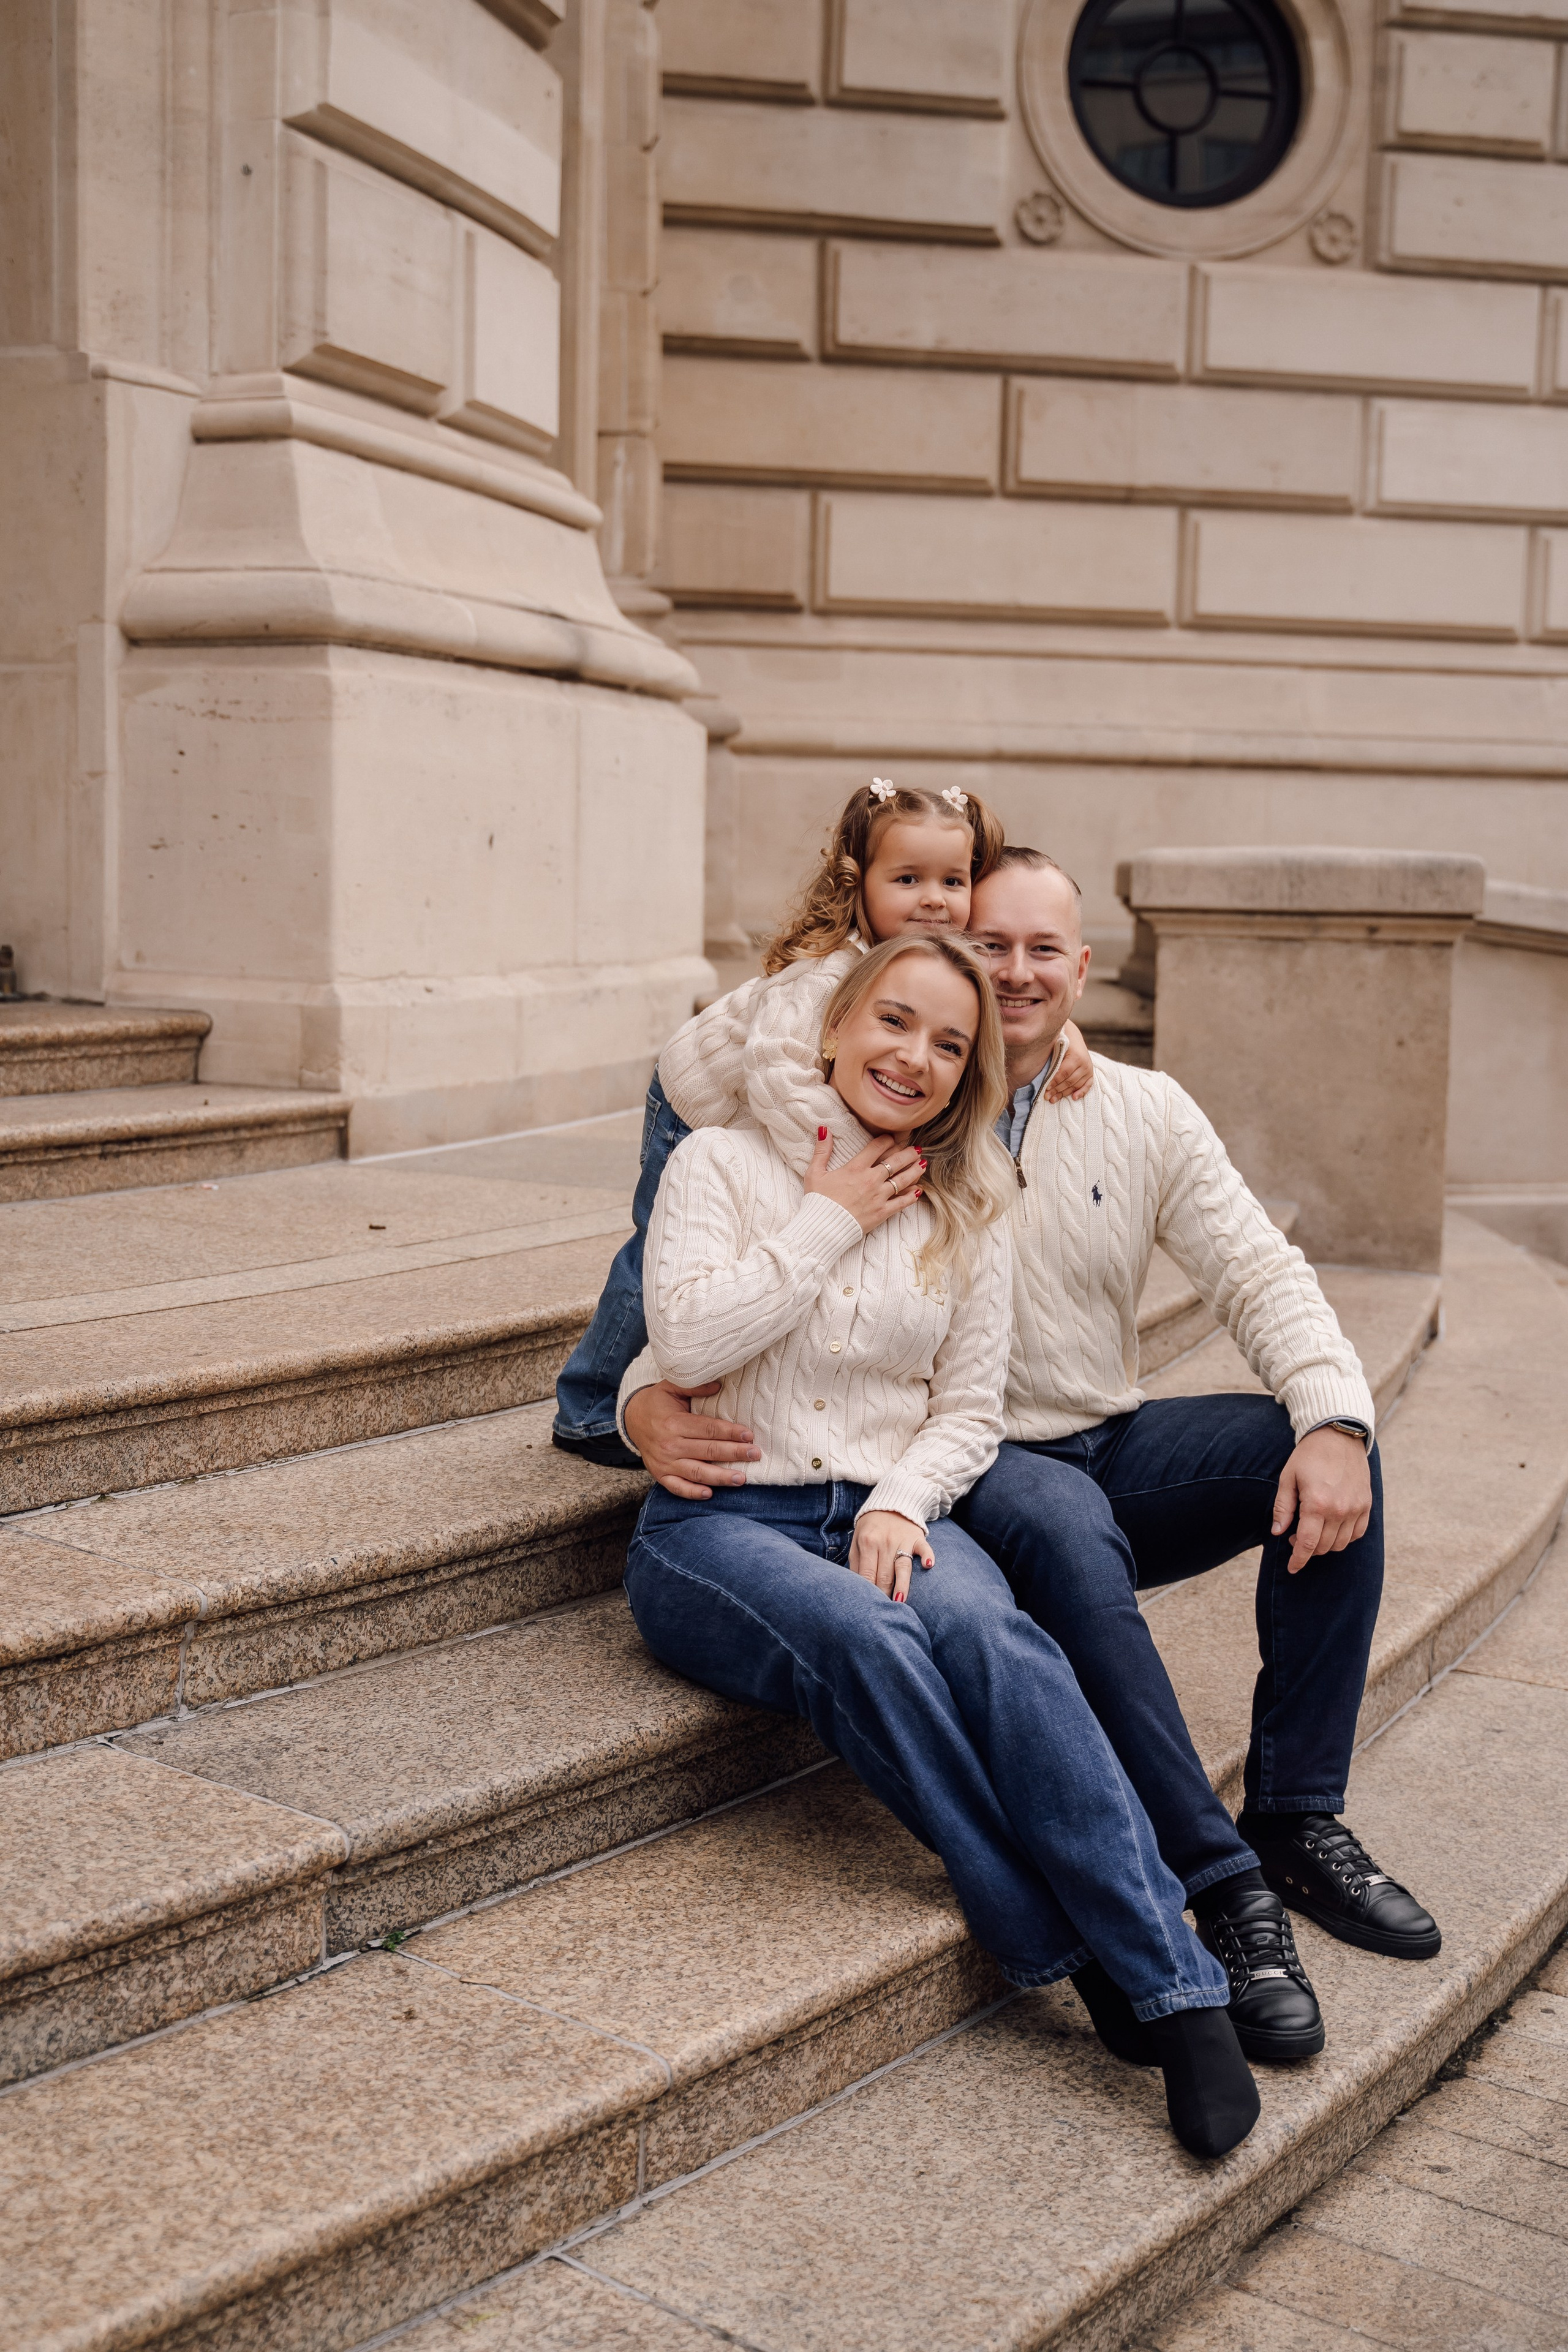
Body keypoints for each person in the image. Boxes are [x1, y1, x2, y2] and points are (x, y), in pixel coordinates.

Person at [628, 846, 1442, 2070]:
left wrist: (1333, 1419)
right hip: (970, 1464)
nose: (1012, 971)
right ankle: (1212, 1888)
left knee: (1324, 1458)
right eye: (988, 944)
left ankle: (1293, 1817)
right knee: (1059, 1528)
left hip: (1096, 1434)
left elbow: (1258, 1273)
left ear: (1079, 967)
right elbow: (733, 1279)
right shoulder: (833, 1118)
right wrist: (643, 1397)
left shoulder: (1135, 1110)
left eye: (1038, 950)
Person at [618, 929, 1261, 2158]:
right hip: (717, 1528)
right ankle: (1066, 1946)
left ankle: (1178, 1993)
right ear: (837, 1027)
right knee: (867, 1637)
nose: (913, 1057)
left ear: (970, 1077)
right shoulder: (717, 1166)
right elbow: (690, 1349)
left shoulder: (973, 1204)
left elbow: (966, 1412)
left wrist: (901, 1500)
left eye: (949, 1045)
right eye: (893, 1022)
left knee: (998, 1643)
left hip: (879, 1506)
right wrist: (825, 1215)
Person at [552, 777, 1092, 1469]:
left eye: (952, 881)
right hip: (699, 1096)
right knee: (649, 1256)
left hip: (790, 1110)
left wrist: (1064, 1037)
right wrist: (855, 1173)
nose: (933, 899)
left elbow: (999, 1014)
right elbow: (778, 1078)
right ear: (857, 885)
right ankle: (592, 1403)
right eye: (907, 878)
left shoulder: (930, 964)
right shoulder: (821, 973)